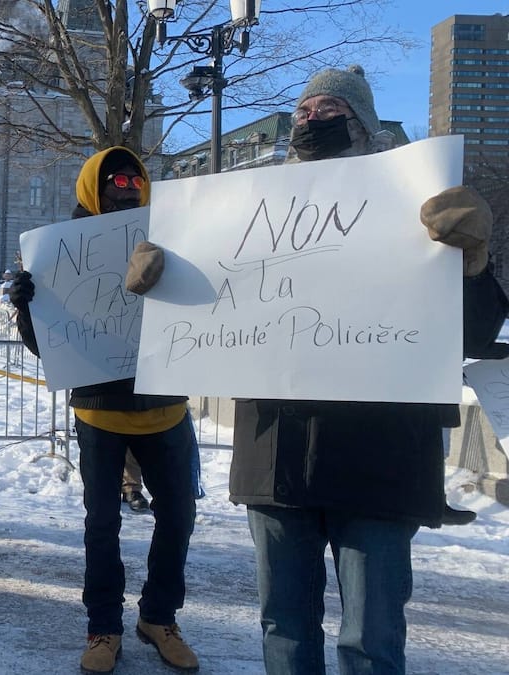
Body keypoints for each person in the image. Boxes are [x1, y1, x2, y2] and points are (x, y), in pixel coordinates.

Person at [126, 65, 509, 675]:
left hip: (383, 461)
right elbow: (201, 326)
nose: (312, 119)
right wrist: (160, 282)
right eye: (304, 111)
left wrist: (471, 261)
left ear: (364, 124)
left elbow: (469, 333)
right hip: (278, 459)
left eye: (330, 109)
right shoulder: (239, 218)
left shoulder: (420, 208)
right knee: (284, 629)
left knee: (373, 637)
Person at [8, 146, 200, 673]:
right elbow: (46, 346)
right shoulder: (58, 250)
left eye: (136, 180)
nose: (127, 187)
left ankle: (159, 618)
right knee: (103, 524)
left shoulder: (170, 237)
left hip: (165, 407)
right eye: (116, 178)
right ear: (94, 184)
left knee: (179, 518)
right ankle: (103, 628)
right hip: (100, 413)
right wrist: (29, 304)